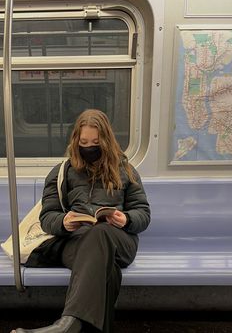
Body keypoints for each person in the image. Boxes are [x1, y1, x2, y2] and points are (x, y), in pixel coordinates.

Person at [12, 109, 150, 333]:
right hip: (76, 241)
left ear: (106, 140)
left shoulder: (125, 170)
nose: (89, 147)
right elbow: (47, 217)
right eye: (84, 141)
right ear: (76, 140)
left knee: (100, 233)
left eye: (95, 142)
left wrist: (125, 219)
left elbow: (143, 214)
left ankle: (67, 324)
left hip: (119, 241)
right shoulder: (62, 173)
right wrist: (64, 222)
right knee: (108, 270)